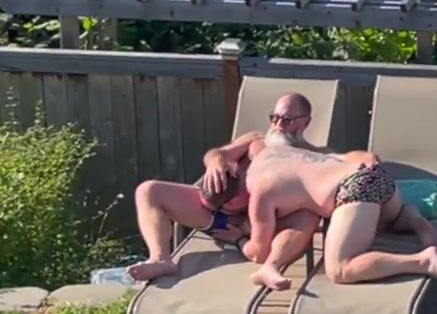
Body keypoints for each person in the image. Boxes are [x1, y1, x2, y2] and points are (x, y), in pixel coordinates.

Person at [126, 92, 324, 288]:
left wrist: (243, 234)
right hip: (213, 214)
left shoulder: (310, 158)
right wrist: (215, 162)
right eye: (275, 118)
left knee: (307, 216)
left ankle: (271, 266)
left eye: (287, 120)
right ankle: (160, 258)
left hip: (257, 228)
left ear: (305, 122)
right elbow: (217, 153)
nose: (278, 125)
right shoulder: (256, 140)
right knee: (148, 190)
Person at [241, 139, 437, 293]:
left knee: (340, 269)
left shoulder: (259, 190)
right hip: (376, 176)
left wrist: (239, 236)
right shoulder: (280, 152)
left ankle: (422, 261)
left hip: (353, 187)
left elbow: (259, 252)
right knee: (383, 223)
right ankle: (411, 216)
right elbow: (358, 157)